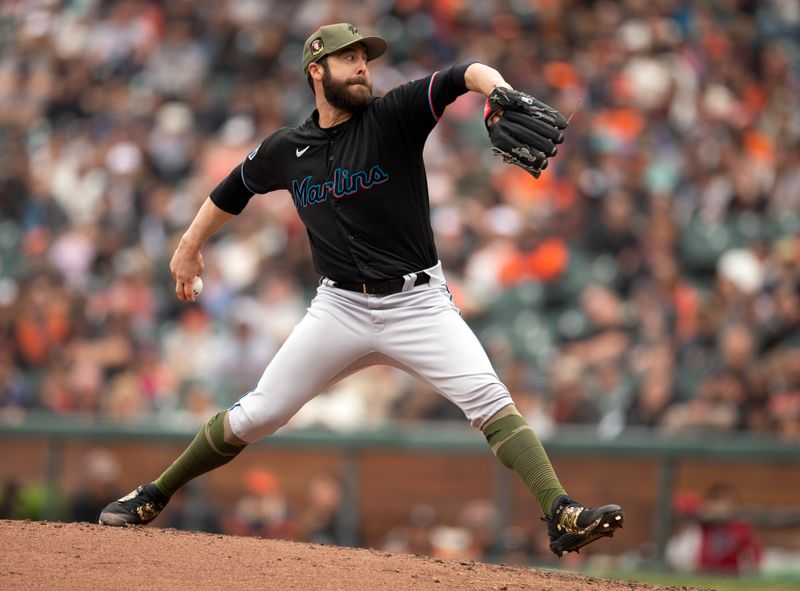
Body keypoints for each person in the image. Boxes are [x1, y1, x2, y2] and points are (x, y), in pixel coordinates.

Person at [98, 23, 623, 557]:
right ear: (316, 71)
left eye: (365, 58)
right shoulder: (287, 148)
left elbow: (463, 74)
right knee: (259, 414)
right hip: (340, 307)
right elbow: (234, 187)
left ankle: (562, 512)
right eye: (349, 58)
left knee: (490, 401)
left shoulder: (394, 116)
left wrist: (498, 91)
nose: (363, 66)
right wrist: (189, 245)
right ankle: (153, 493)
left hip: (417, 302)